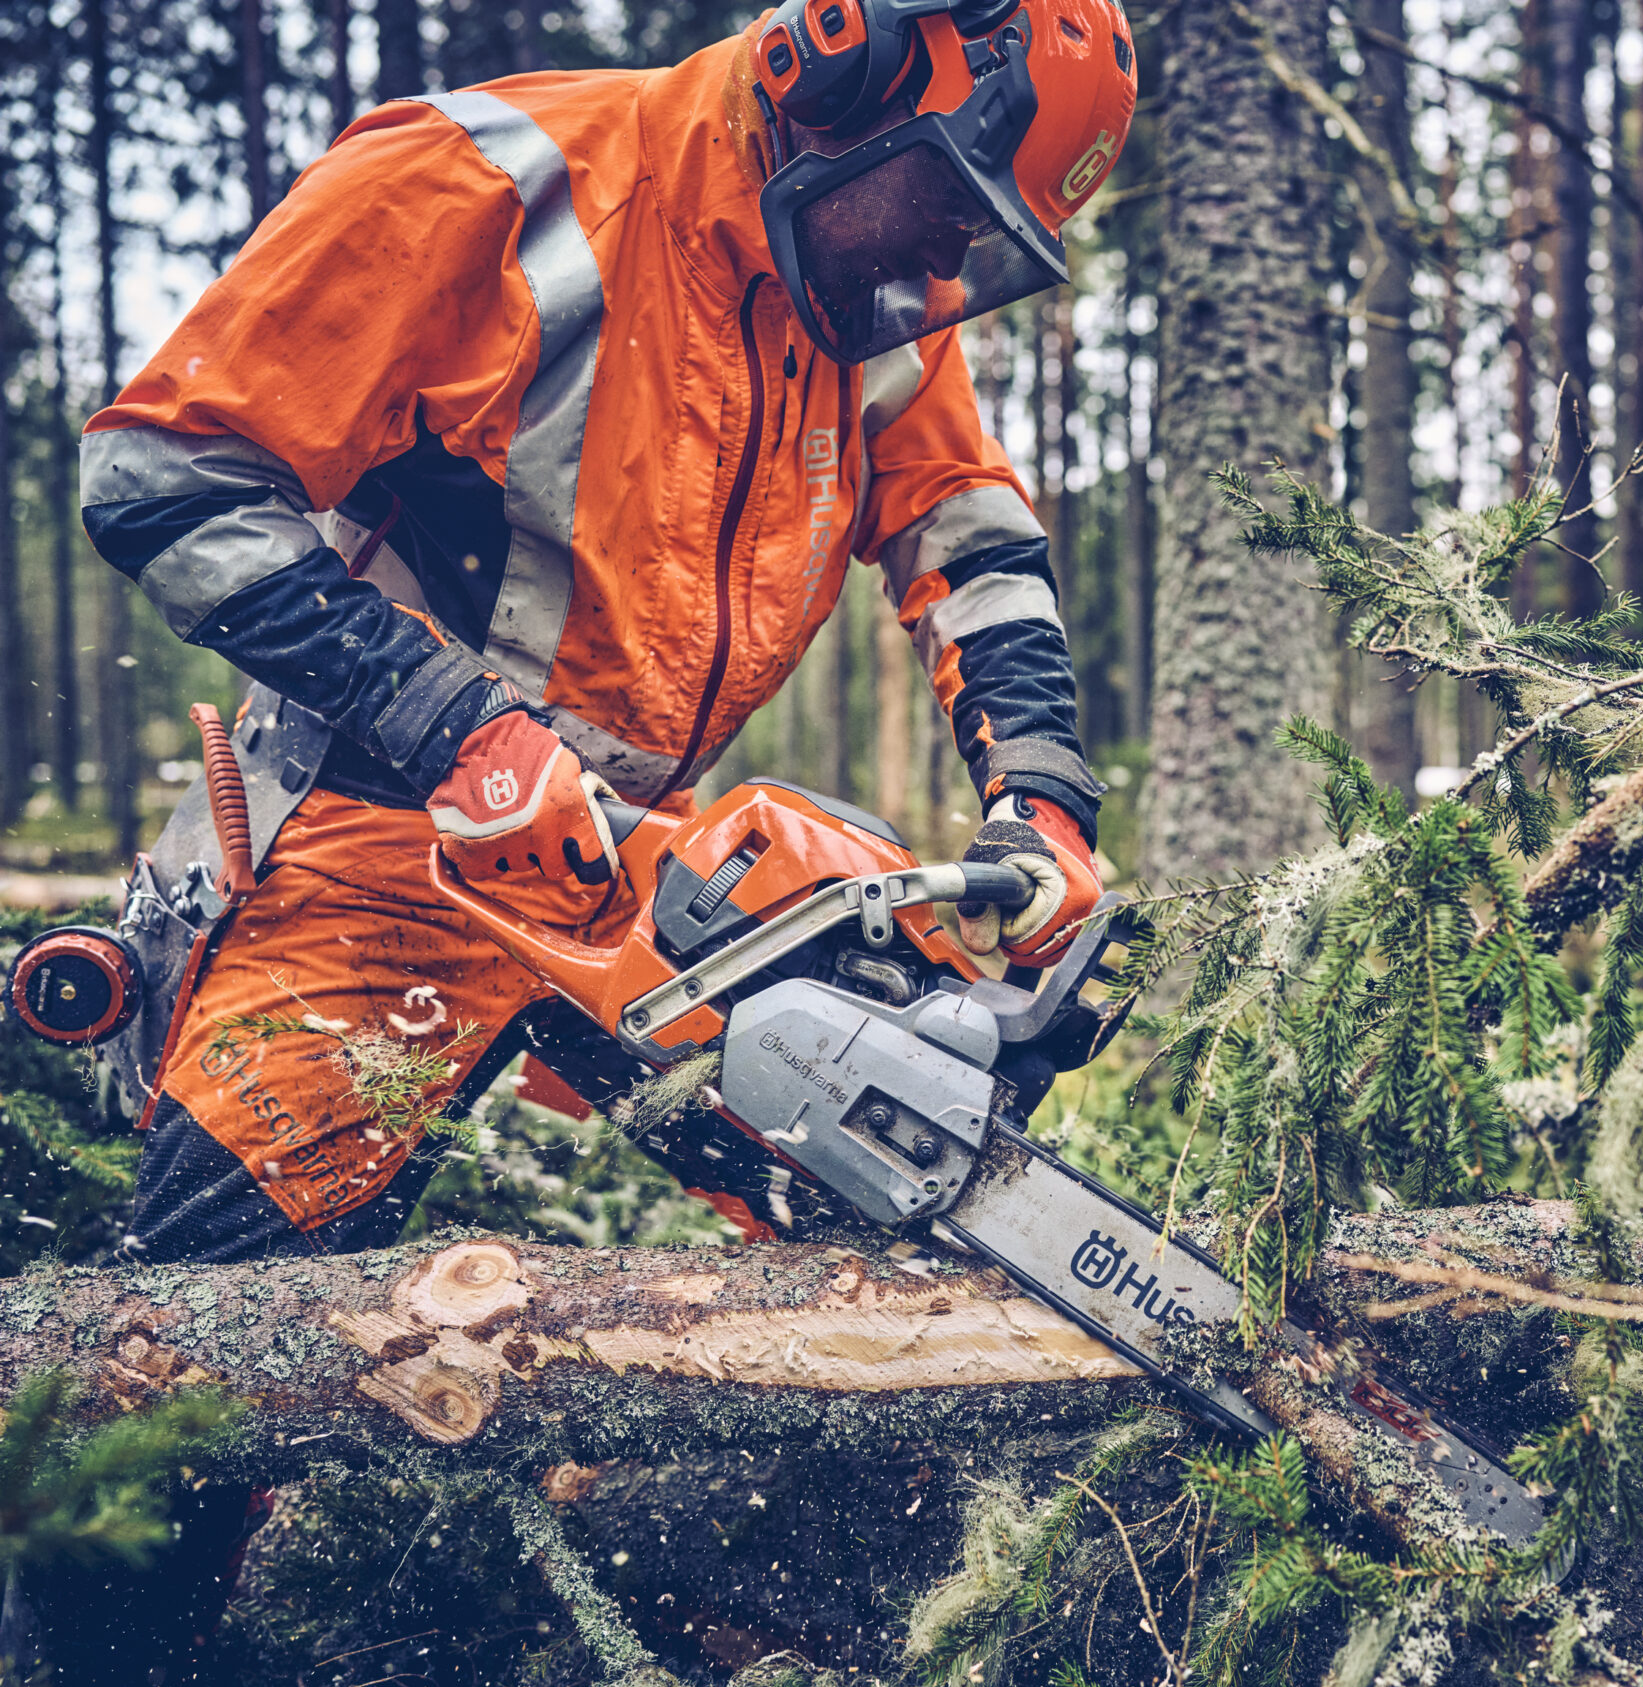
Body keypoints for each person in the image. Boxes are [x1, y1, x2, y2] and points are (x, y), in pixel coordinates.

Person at [78, 0, 1134, 1269]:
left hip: (634, 871)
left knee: (886, 1217)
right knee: (220, 1336)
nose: (946, 259)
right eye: (946, 203)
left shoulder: (863, 297)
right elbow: (164, 475)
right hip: (376, 839)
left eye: (978, 238)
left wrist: (1042, 796)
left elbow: (968, 546)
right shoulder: (484, 180)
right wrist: (453, 726)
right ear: (842, 69)